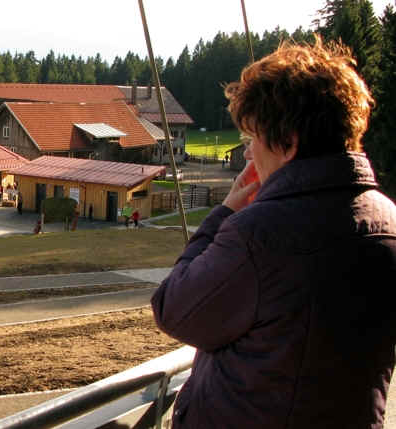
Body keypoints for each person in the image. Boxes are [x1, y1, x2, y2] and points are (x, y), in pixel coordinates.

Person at [151, 39, 396, 429]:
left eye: (253, 139)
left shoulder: (261, 235)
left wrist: (226, 212)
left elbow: (174, 309)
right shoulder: (388, 220)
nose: (247, 154)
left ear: (288, 143)